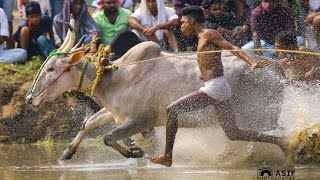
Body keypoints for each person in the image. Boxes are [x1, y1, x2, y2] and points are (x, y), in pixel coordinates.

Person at [148, 6, 284, 167]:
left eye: (183, 22)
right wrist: (204, 75)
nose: (181, 26)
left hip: (216, 87)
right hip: (218, 86)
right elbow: (210, 63)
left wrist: (252, 62)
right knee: (233, 133)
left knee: (172, 110)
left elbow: (232, 48)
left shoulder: (209, 34)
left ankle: (167, 156)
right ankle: (279, 141)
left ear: (192, 21)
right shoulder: (201, 38)